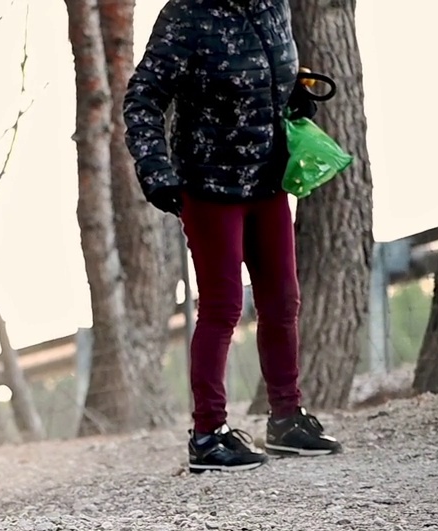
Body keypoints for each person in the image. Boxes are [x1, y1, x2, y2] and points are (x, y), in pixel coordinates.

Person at [122, 0, 343, 473]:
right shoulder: (186, 14)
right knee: (222, 308)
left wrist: (291, 95)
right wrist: (156, 169)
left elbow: (273, 71)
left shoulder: (273, 6)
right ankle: (207, 435)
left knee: (283, 300)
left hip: (267, 180)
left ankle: (286, 419)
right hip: (208, 185)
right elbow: (142, 96)